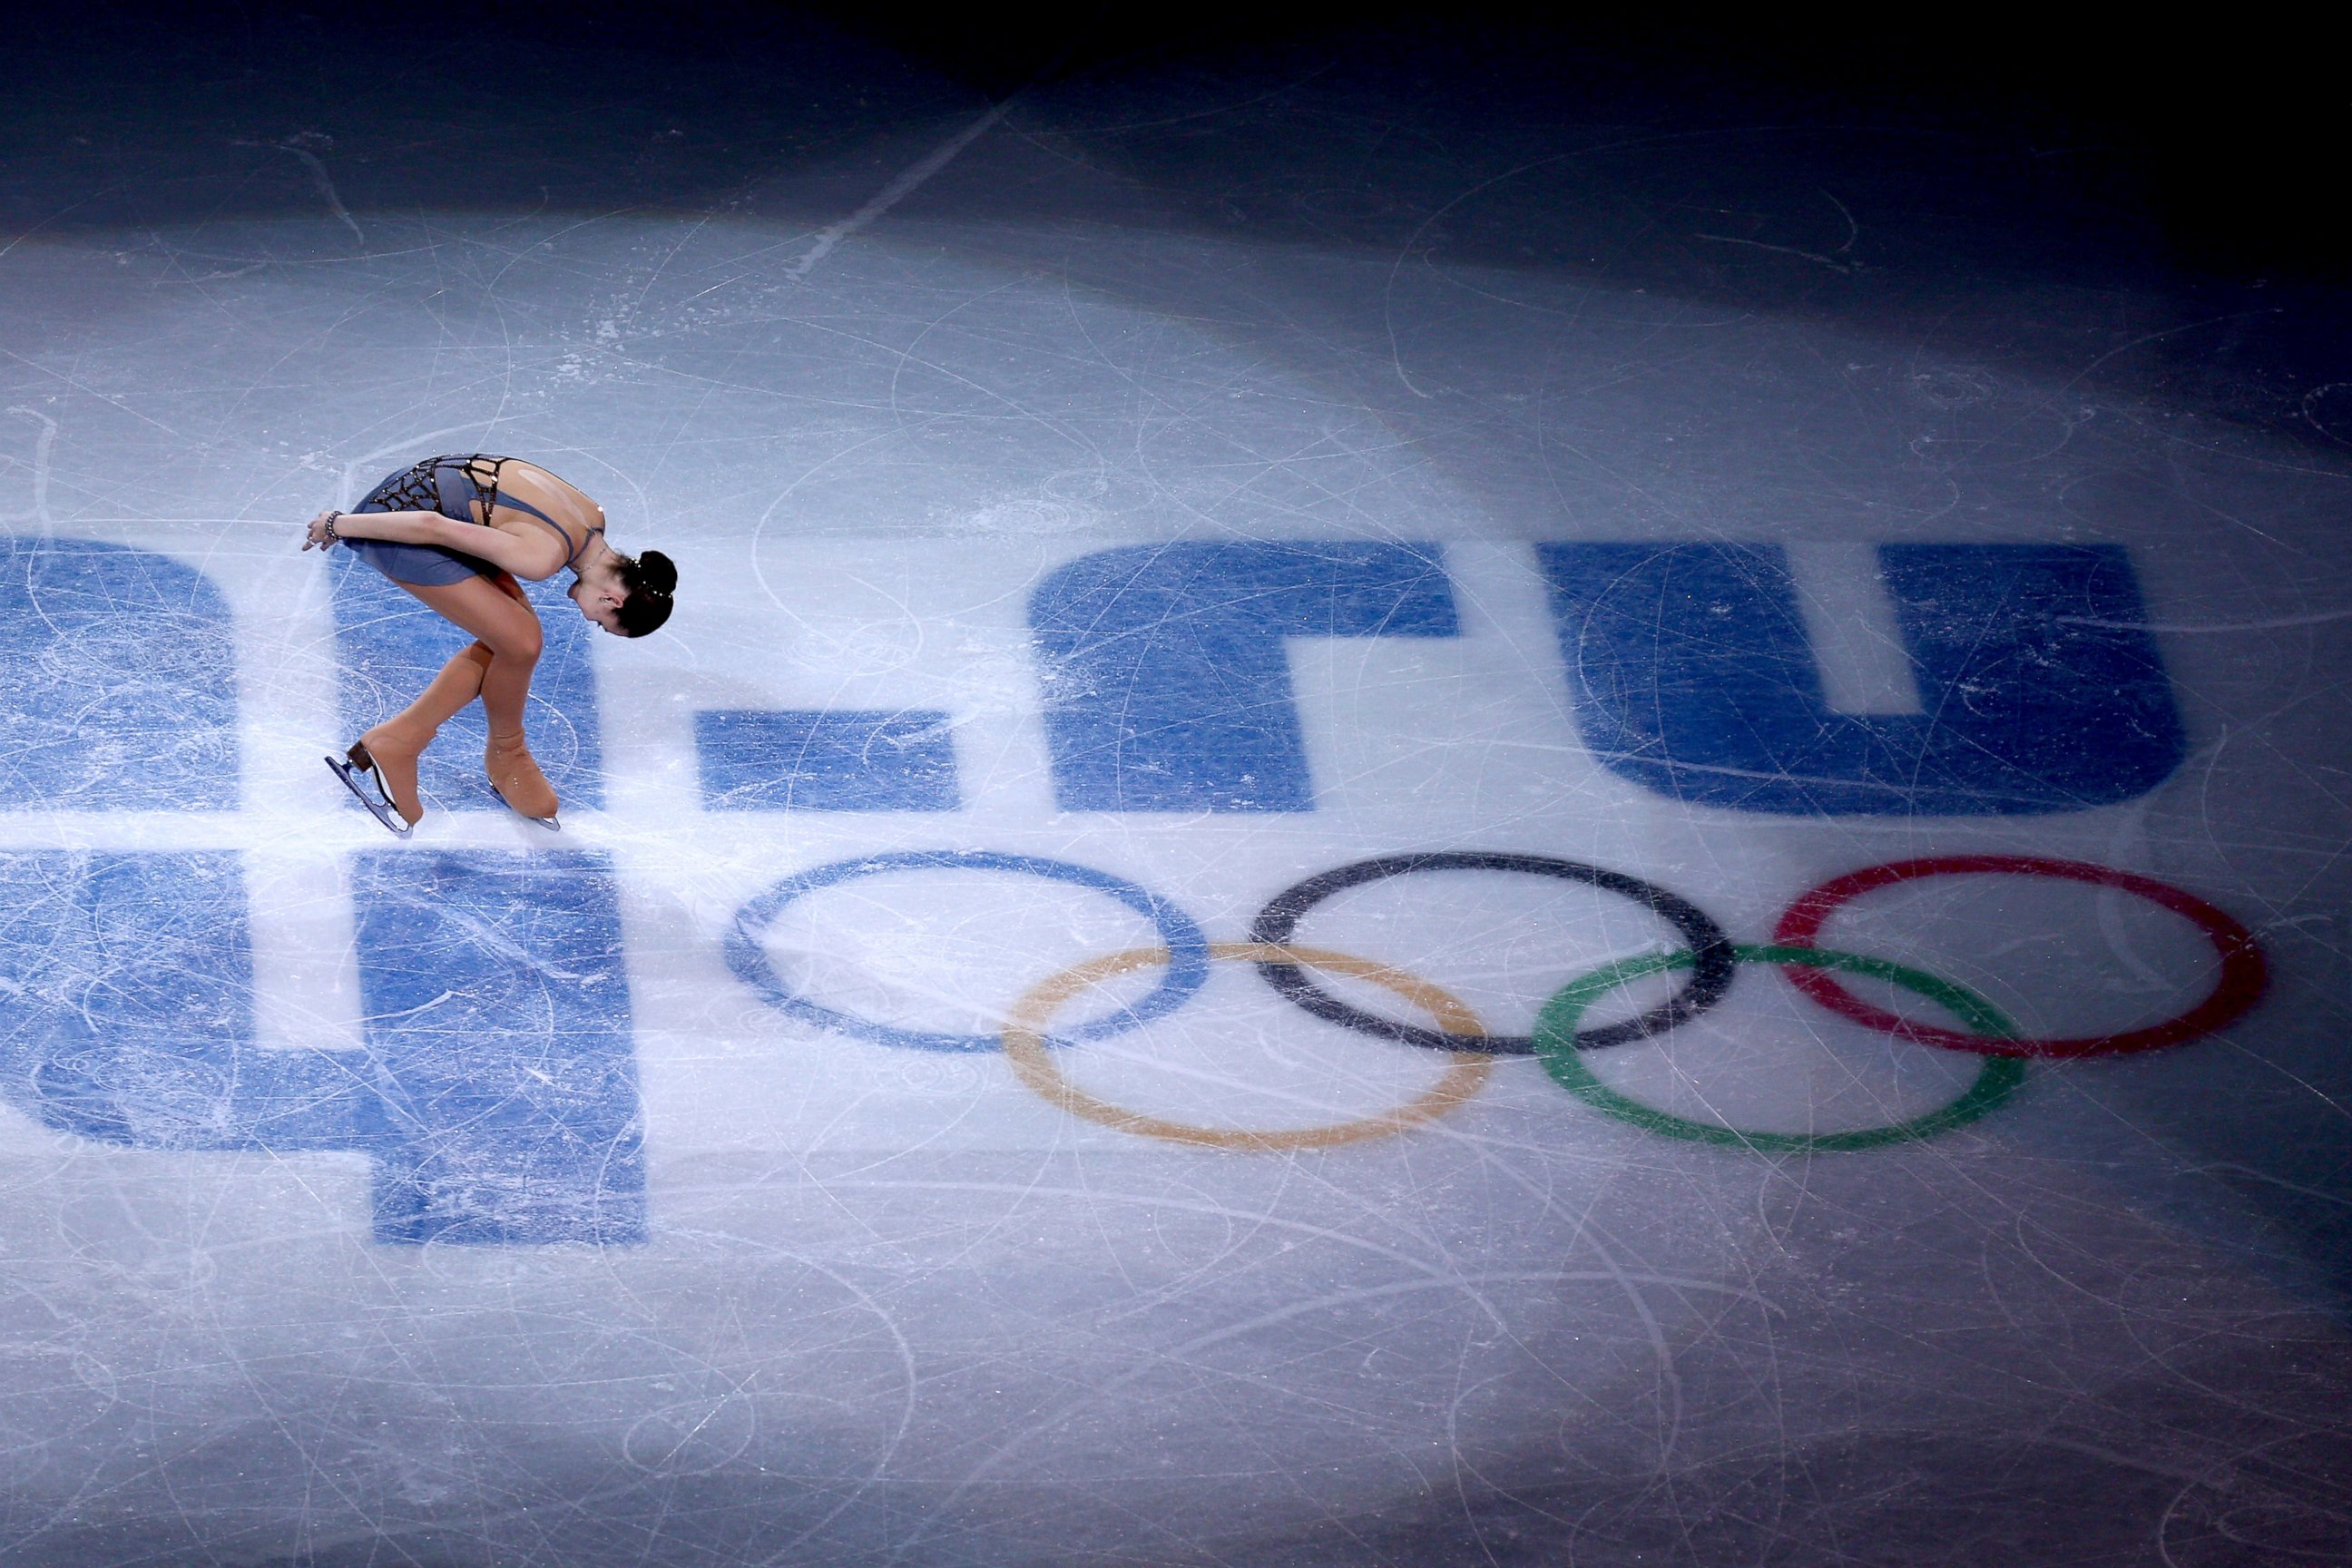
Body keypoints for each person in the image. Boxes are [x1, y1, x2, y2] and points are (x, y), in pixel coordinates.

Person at [305, 453, 674, 836]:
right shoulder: (541, 557)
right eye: (601, 623)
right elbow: (432, 526)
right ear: (613, 600)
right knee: (519, 644)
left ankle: (457, 747)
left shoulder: (592, 521)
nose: (588, 619)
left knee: (518, 641)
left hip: (429, 502)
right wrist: (338, 524)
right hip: (400, 524)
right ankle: (477, 751)